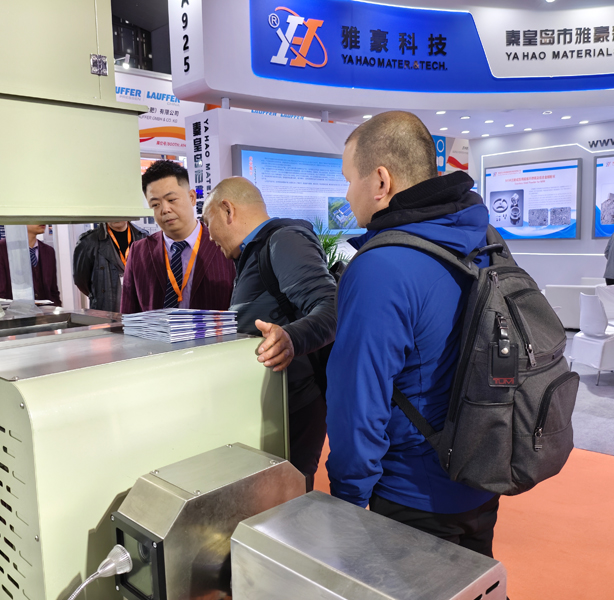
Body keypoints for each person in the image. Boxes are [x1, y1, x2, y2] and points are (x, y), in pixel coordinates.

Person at [326, 111, 499, 558]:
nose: (347, 194)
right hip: (484, 472)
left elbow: (359, 401)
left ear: (381, 181)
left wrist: (347, 499)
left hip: (412, 494)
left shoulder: (380, 267)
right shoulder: (483, 237)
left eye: (349, 179)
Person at [203, 177, 337, 491]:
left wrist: (290, 338)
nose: (209, 235)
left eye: (208, 222)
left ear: (228, 210)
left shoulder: (284, 240)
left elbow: (332, 307)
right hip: (274, 404)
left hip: (296, 404)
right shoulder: (253, 251)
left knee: (289, 498)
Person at [121, 160, 235, 313]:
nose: (165, 209)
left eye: (171, 200)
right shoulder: (139, 252)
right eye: (155, 205)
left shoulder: (223, 244)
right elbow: (128, 313)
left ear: (192, 197)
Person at [73, 221, 147, 312]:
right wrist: (101, 295)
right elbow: (81, 280)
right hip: (105, 309)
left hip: (138, 310)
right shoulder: (88, 242)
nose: (117, 216)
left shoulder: (144, 237)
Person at [0, 224, 61, 306]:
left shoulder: (48, 251)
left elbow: (53, 290)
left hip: (47, 312)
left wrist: (57, 308)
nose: (42, 220)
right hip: (13, 312)